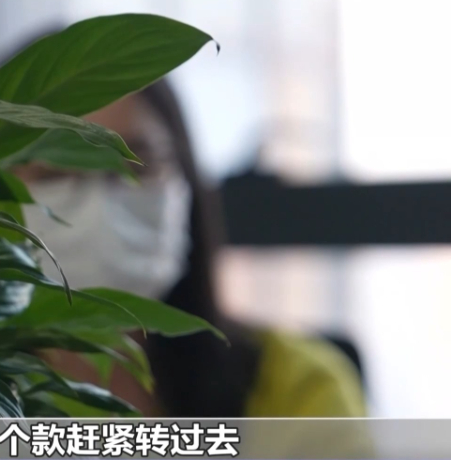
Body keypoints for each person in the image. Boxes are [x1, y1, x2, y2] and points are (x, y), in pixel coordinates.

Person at [18, 78, 368, 419]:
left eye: (138, 164)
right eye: (55, 172)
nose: (100, 207)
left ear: (186, 182)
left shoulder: (298, 388)